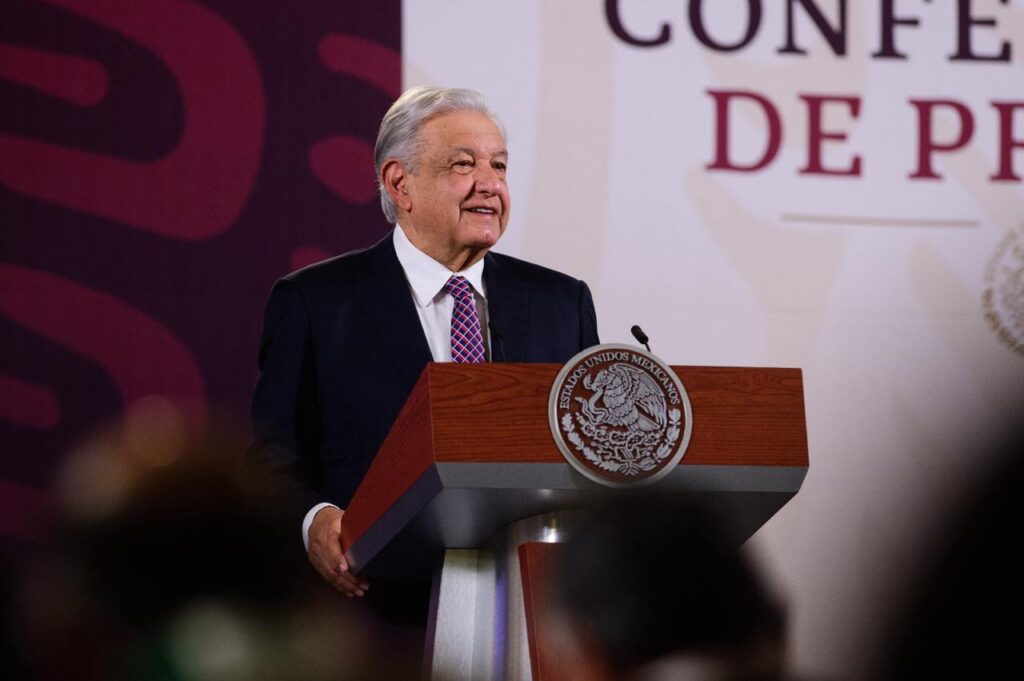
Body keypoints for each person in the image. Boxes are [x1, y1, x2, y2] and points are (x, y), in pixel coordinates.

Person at [248, 86, 600, 603]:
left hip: (532, 603)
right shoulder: (314, 303)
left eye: (499, 166)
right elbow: (271, 463)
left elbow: (591, 453)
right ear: (400, 183)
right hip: (378, 604)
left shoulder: (561, 302)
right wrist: (315, 520)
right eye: (463, 165)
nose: (490, 184)